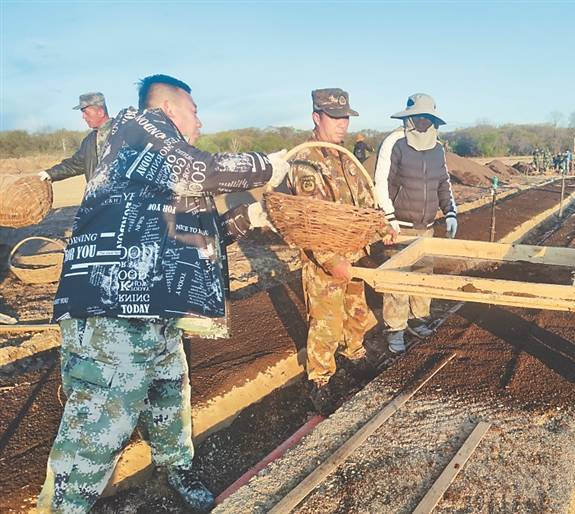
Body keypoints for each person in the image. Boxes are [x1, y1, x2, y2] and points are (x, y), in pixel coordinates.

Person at [38, 74, 290, 513]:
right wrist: (268, 166)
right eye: (195, 111)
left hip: (154, 309)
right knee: (99, 424)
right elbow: (200, 170)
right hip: (112, 307)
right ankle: (64, 507)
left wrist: (252, 216)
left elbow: (192, 240)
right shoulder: (136, 126)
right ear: (170, 108)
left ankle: (174, 469)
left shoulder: (158, 164)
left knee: (169, 393)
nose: (201, 122)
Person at [286, 88, 390, 414]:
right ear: (316, 117)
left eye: (345, 117)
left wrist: (381, 226)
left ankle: (355, 353)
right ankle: (320, 378)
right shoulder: (306, 162)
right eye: (335, 118)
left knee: (357, 313)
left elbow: (364, 200)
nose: (342, 124)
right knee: (326, 321)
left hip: (354, 252)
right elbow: (309, 218)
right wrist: (331, 260)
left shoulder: (346, 158)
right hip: (325, 261)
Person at [374, 93, 458, 353]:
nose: (423, 122)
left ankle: (418, 320)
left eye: (427, 118)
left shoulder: (437, 147)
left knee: (423, 277)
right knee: (397, 281)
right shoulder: (394, 143)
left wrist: (451, 212)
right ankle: (395, 329)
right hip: (399, 226)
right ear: (408, 118)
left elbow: (443, 183)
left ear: (434, 120)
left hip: (426, 227)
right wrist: (388, 217)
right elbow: (381, 182)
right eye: (418, 117)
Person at [38, 93, 114, 183]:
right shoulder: (89, 141)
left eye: (85, 112)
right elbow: (75, 164)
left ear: (100, 112)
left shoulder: (124, 133)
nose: (83, 117)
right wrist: (50, 173)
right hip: (98, 196)